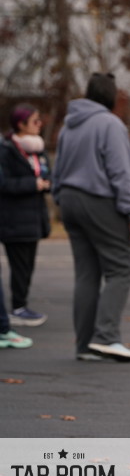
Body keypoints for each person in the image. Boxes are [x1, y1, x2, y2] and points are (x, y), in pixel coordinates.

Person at [52, 73, 130, 362]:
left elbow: (58, 167)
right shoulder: (110, 124)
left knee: (86, 274)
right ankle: (106, 337)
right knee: (121, 268)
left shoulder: (69, 125)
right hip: (99, 200)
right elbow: (121, 172)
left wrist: (59, 197)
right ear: (112, 96)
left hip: (70, 200)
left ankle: (85, 345)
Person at [0, 104, 52, 329]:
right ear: (21, 124)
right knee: (20, 266)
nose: (39, 125)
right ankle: (18, 307)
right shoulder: (6, 150)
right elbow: (4, 184)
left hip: (33, 217)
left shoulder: (38, 150)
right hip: (13, 219)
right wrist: (32, 184)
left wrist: (47, 183)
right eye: (35, 121)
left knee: (28, 265)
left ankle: (21, 305)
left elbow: (48, 174)